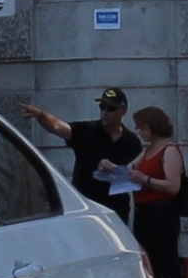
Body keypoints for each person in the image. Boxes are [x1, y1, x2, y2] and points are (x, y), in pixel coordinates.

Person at [118, 105, 188, 278]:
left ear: (154, 126)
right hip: (144, 213)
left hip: (163, 213)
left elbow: (173, 186)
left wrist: (145, 180)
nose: (138, 131)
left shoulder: (169, 151)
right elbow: (129, 169)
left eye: (142, 126)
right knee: (150, 269)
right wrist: (113, 169)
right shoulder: (147, 152)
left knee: (168, 266)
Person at [19, 88, 141, 221]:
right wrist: (40, 114)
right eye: (102, 107)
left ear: (123, 111)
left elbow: (137, 177)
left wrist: (115, 169)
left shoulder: (132, 141)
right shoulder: (86, 131)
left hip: (116, 210)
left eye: (111, 108)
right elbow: (56, 126)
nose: (105, 112)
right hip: (86, 208)